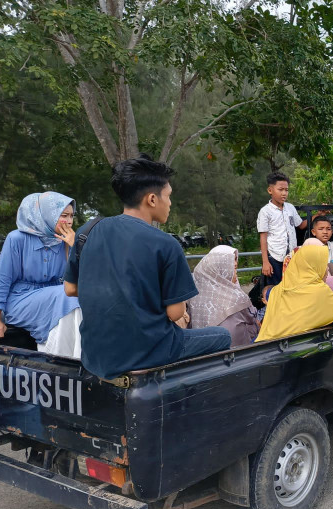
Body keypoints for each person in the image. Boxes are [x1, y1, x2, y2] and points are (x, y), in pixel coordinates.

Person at [63, 154, 231, 380]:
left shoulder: (87, 232)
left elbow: (70, 289)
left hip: (95, 355)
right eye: (168, 196)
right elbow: (176, 313)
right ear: (152, 199)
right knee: (223, 336)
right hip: (149, 352)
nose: (170, 203)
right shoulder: (166, 244)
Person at [0, 192, 82, 357]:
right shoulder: (17, 238)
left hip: (54, 296)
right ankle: (61, 359)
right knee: (67, 295)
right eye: (64, 215)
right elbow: (2, 279)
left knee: (76, 293)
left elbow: (76, 279)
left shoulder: (65, 241)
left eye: (71, 216)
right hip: (20, 299)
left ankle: (78, 358)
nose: (69, 221)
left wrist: (74, 248)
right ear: (46, 215)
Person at [256, 245, 333, 342]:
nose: (327, 269)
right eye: (324, 265)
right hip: (291, 352)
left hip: (261, 346)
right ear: (313, 267)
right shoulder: (320, 291)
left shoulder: (276, 290)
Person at [188, 245, 259, 346]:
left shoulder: (194, 296)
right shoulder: (237, 298)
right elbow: (252, 317)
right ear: (222, 270)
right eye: (234, 269)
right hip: (238, 351)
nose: (235, 273)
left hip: (204, 351)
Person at [257, 172, 317, 287]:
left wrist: (317, 215)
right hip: (275, 258)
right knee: (276, 290)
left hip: (291, 257)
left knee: (291, 287)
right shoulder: (265, 211)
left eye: (286, 190)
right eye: (280, 189)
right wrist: (265, 262)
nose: (284, 193)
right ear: (270, 190)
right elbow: (263, 237)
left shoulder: (290, 208)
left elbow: (301, 225)